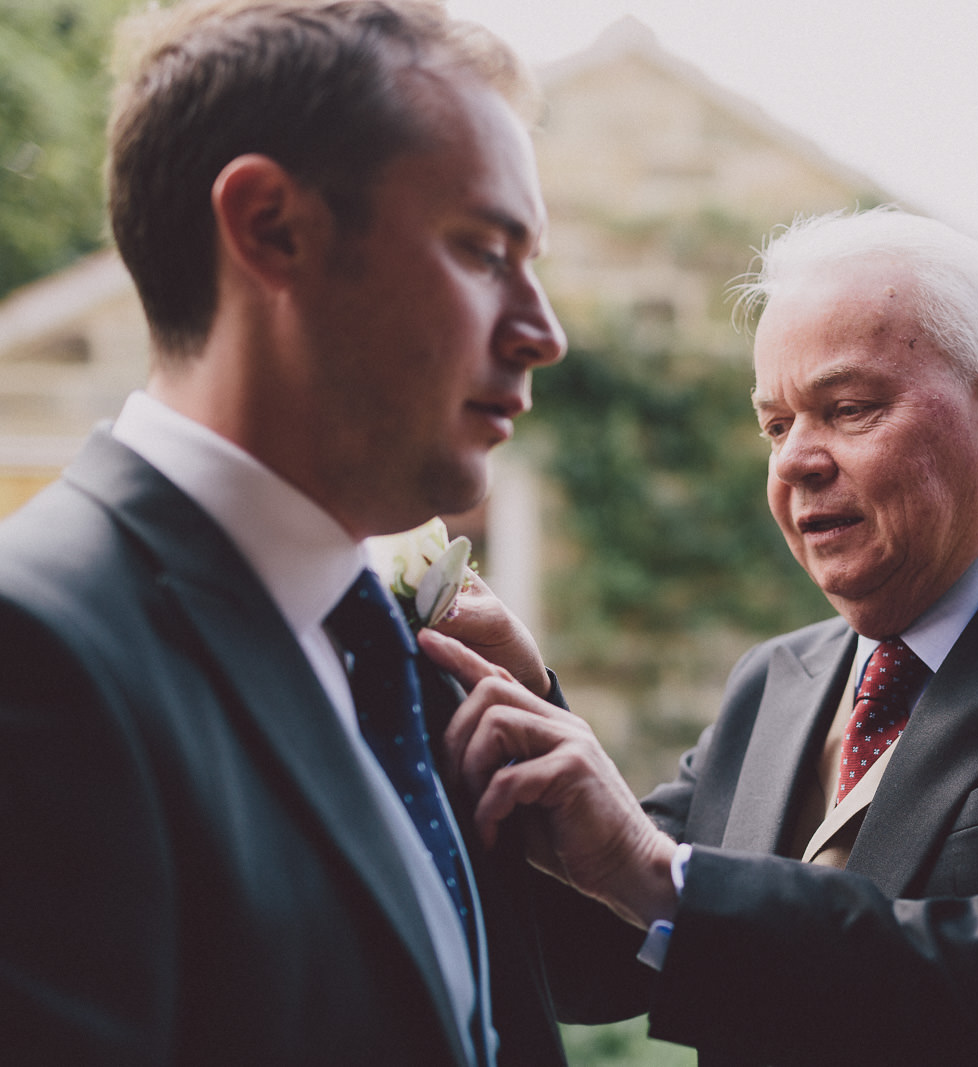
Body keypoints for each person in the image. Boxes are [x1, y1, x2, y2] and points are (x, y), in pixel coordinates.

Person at [425, 207, 978, 1065]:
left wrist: (660, 877)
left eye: (847, 408)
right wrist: (510, 698)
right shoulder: (776, 679)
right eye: (775, 423)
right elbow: (591, 956)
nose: (794, 461)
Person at [0, 0, 568, 1062]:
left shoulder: (405, 654)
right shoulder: (37, 657)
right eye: (487, 251)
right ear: (271, 227)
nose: (545, 332)